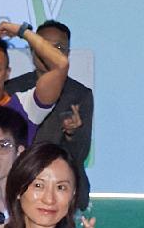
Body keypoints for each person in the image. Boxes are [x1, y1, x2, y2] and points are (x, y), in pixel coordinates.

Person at [17, 18, 96, 170]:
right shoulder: (12, 89)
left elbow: (80, 155)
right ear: (32, 49)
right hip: (21, 181)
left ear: (67, 54)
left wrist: (72, 134)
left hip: (64, 183)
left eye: (59, 47)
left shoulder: (80, 95)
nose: (51, 53)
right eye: (45, 46)